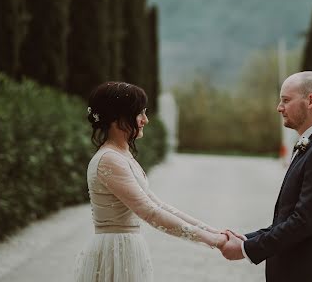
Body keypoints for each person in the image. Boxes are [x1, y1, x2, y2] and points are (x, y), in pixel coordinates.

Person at [75, 81, 227, 282]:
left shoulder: (122, 154)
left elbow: (157, 204)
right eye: (139, 113)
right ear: (116, 118)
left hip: (126, 247)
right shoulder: (109, 159)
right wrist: (213, 241)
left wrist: (211, 231)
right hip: (114, 251)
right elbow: (150, 212)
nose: (145, 120)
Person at [221, 71, 312, 282]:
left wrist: (246, 249)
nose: (279, 107)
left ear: (310, 100)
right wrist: (245, 239)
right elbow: (287, 218)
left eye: (286, 100)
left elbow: (303, 222)